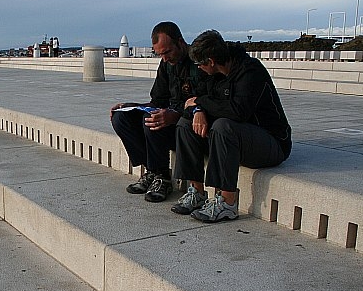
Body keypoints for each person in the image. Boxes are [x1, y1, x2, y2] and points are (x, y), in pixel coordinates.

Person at [171, 30, 292, 222]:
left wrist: (201, 103)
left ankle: (227, 203)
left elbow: (238, 111)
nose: (199, 69)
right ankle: (197, 192)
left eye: (200, 64)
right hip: (237, 142)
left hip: (272, 143)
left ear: (210, 61)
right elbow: (190, 103)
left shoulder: (250, 71)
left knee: (223, 126)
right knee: (185, 124)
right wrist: (197, 111)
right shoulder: (213, 74)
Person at [110, 21, 208, 202]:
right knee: (121, 117)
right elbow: (158, 101)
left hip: (190, 126)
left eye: (167, 52)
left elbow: (204, 103)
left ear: (180, 42)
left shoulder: (198, 62)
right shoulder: (166, 64)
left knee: (153, 120)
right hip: (172, 118)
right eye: (160, 54)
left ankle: (162, 177)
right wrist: (130, 105)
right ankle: (152, 171)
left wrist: (175, 115)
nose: (164, 58)